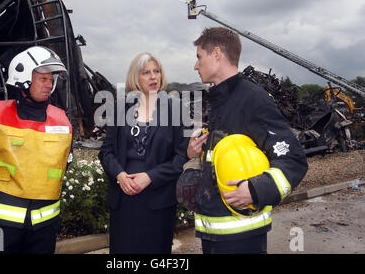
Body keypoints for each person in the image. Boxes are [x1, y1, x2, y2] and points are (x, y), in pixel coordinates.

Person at [187, 27, 308, 254]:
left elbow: (293, 159)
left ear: (216, 54)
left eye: (198, 57)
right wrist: (196, 160)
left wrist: (256, 189)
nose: (195, 65)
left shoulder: (253, 99)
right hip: (215, 236)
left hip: (241, 239)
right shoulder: (220, 100)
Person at [0, 46, 73, 254]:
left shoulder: (62, 120)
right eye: (43, 79)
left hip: (44, 226)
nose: (49, 85)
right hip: (1, 225)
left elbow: (65, 162)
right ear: (23, 76)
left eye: (51, 80)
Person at [98, 52, 189, 254]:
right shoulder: (120, 108)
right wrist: (120, 176)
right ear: (135, 78)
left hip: (158, 200)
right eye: (146, 73)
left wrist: (150, 177)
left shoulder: (175, 109)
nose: (153, 77)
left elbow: (182, 157)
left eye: (156, 71)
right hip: (124, 198)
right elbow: (106, 152)